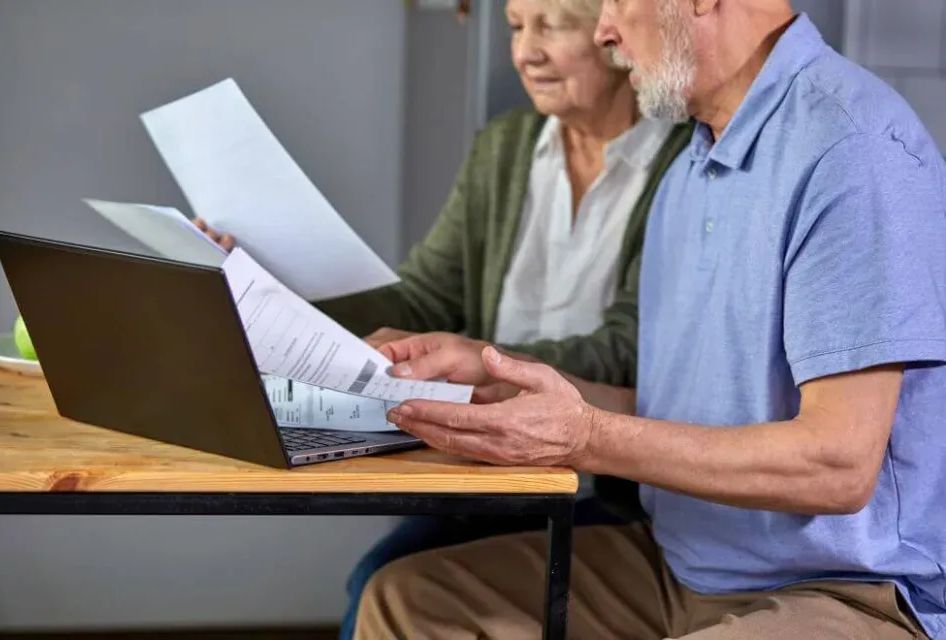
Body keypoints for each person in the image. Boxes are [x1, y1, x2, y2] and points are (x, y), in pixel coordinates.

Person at [354, 0, 946, 638]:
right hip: (679, 567)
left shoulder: (849, 148)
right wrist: (508, 377)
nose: (606, 30)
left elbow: (838, 465)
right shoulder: (690, 172)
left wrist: (585, 437)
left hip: (841, 592)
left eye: (616, 2)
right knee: (408, 600)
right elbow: (668, 410)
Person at [194, 0, 692, 635]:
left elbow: (633, 349)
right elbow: (423, 304)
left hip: (607, 489)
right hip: (486, 467)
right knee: (380, 576)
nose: (525, 51)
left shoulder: (682, 161)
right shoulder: (505, 148)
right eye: (516, 27)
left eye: (552, 24)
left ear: (612, 34)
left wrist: (484, 362)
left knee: (388, 578)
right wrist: (270, 285)